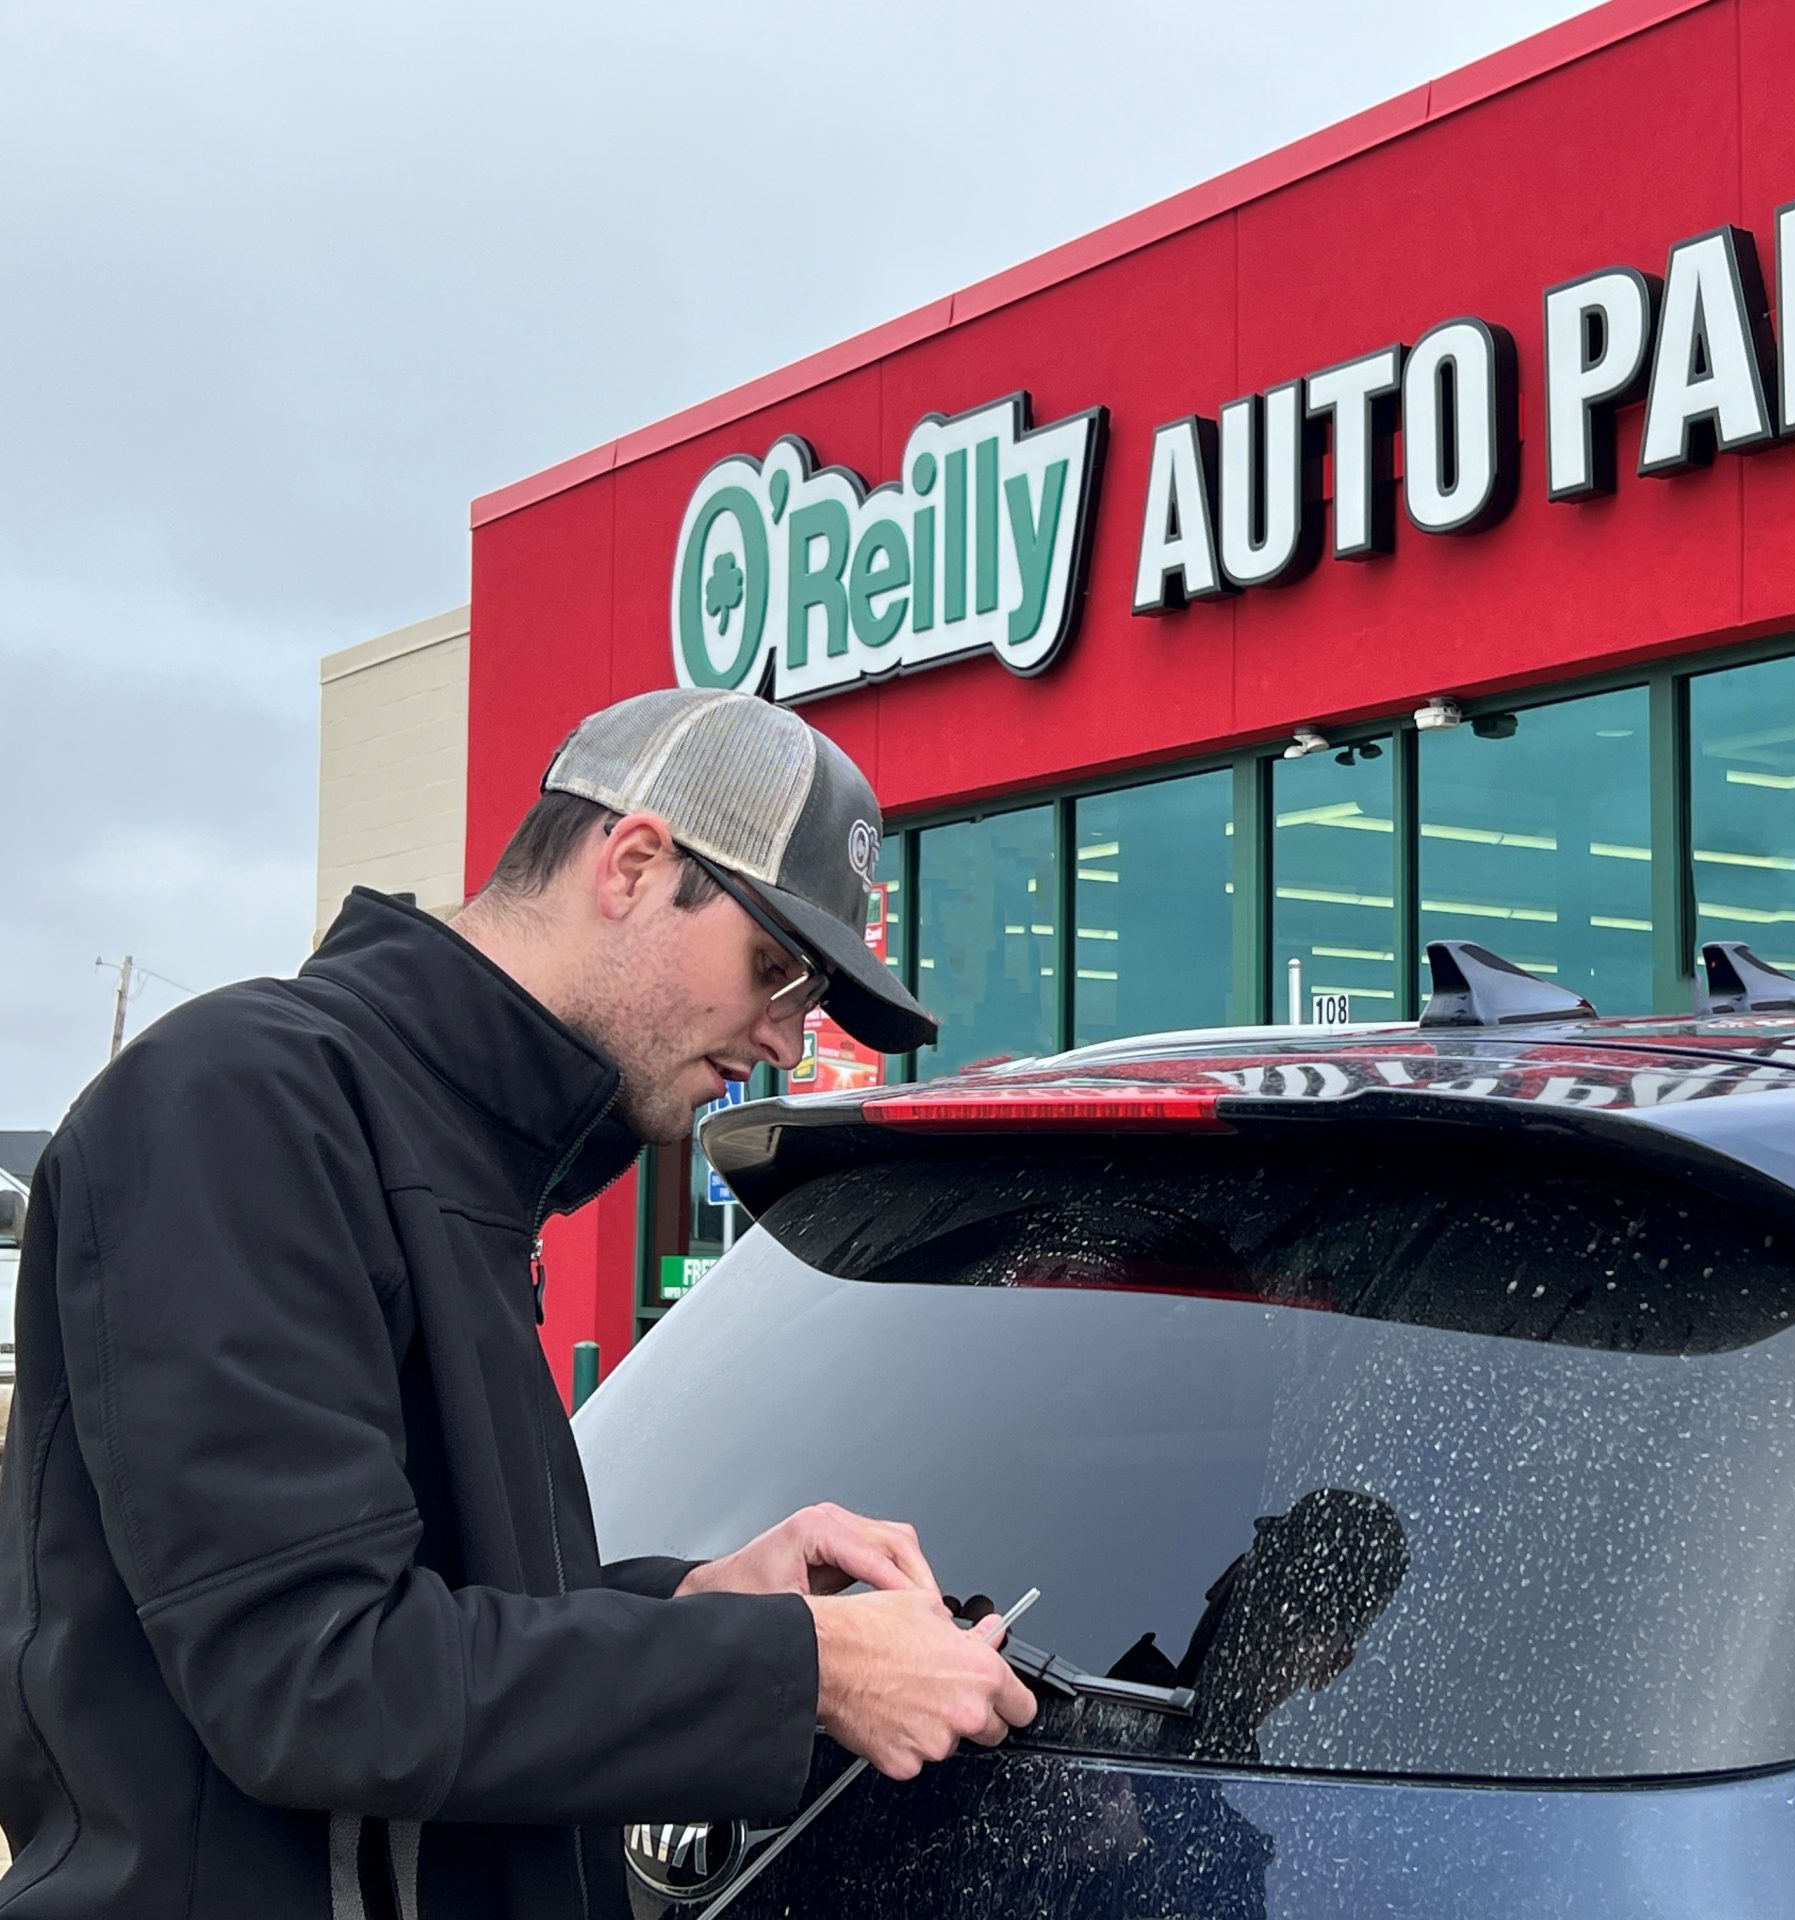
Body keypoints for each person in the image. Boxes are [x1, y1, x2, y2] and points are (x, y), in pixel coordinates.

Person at [0, 687, 1036, 1917]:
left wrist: (693, 1600)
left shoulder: (466, 1170)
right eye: (775, 967)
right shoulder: (241, 1105)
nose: (787, 1038)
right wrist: (799, 1666)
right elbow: (316, 1680)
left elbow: (437, 1608)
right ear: (636, 864)